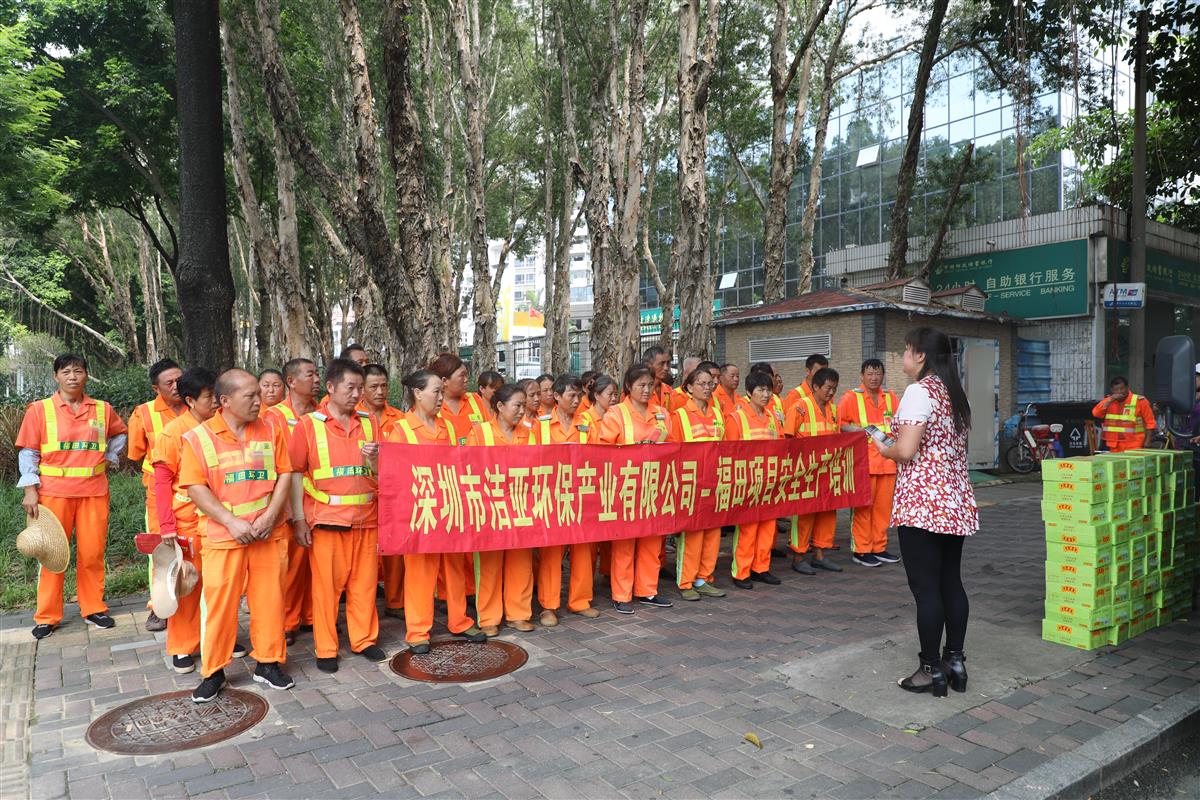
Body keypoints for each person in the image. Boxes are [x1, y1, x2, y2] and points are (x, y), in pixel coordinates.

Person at [179, 369, 296, 702]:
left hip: (268, 532)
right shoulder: (199, 437)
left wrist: (270, 516)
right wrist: (231, 522)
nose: (259, 401)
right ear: (225, 401)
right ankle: (214, 671)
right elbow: (195, 487)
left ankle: (268, 663)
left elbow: (285, 474)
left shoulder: (272, 428)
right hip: (223, 535)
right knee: (220, 605)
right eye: (251, 396)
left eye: (259, 394)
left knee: (270, 600)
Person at [876, 327, 977, 698]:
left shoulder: (919, 391)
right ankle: (955, 662)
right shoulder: (955, 393)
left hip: (922, 503)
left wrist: (883, 446)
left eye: (906, 350)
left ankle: (930, 670)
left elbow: (905, 451)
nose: (903, 356)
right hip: (954, 500)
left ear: (920, 355)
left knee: (926, 589)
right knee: (951, 582)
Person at [17, 354, 128, 639]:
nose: (72, 377)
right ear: (56, 376)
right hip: (54, 493)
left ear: (86, 375)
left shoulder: (102, 409)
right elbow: (28, 451)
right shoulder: (40, 410)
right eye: (66, 372)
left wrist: (110, 457)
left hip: (93, 491)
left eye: (78, 371)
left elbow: (119, 434)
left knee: (92, 553)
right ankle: (47, 616)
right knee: (51, 554)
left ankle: (93, 608)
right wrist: (30, 489)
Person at [289, 358, 386, 673]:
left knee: (365, 585)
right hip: (327, 520)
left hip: (366, 518)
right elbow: (294, 473)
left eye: (360, 388)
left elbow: (381, 472)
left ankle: (364, 640)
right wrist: (299, 519)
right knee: (326, 590)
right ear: (330, 387)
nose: (357, 394)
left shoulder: (369, 422)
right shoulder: (308, 425)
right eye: (350, 388)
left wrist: (375, 460)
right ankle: (326, 648)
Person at [151, 368, 247, 673]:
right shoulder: (173, 433)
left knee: (221, 585)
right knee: (188, 585)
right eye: (209, 398)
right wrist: (166, 525)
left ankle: (221, 639)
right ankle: (183, 645)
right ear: (191, 401)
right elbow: (161, 482)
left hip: (220, 519)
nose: (216, 402)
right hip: (187, 521)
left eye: (217, 396)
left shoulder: (225, 427)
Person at [386, 370, 487, 652]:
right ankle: (418, 631)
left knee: (454, 569)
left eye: (442, 392)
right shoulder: (401, 430)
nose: (441, 398)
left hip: (449, 509)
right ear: (417, 393)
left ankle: (460, 621)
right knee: (420, 572)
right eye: (436, 392)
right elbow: (394, 475)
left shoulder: (448, 428)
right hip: (419, 512)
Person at [598, 365, 672, 614]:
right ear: (629, 387)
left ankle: (647, 590)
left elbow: (674, 448)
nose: (646, 390)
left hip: (654, 487)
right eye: (641, 385)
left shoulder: (661, 413)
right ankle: (621, 594)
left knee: (652, 540)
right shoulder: (616, 414)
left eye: (650, 385)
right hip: (625, 489)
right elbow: (603, 452)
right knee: (625, 544)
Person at [529, 374, 599, 623]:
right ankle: (548, 606)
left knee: (583, 551)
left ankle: (580, 601)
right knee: (551, 553)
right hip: (551, 499)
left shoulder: (587, 424)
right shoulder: (541, 426)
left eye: (579, 395)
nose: (577, 400)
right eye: (571, 395)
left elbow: (598, 458)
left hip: (580, 498)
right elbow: (531, 462)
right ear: (557, 396)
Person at [466, 383, 535, 635]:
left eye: (524, 406)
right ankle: (488, 618)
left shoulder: (529, 433)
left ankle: (519, 614)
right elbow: (469, 469)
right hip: (489, 509)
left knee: (521, 562)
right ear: (499, 406)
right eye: (517, 406)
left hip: (520, 507)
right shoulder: (480, 433)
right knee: (488, 565)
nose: (522, 411)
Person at [262, 358, 320, 645]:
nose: (317, 379)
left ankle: (310, 616)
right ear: (292, 382)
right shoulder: (274, 417)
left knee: (315, 564)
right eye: (310, 374)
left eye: (317, 374)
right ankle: (287, 621)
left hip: (321, 502)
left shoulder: (323, 412)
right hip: (290, 502)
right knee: (292, 566)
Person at [127, 358, 185, 632]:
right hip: (159, 490)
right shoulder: (144, 413)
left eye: (179, 380)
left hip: (197, 489)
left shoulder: (199, 406)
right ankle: (160, 608)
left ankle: (193, 602)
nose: (176, 386)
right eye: (169, 383)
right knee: (162, 550)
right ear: (155, 388)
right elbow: (136, 453)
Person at [668, 368, 728, 601]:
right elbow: (673, 453)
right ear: (689, 388)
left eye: (710, 383)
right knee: (692, 535)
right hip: (691, 485)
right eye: (701, 383)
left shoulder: (717, 414)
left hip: (714, 483)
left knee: (712, 533)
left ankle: (704, 578)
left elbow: (726, 448)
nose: (707, 387)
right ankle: (686, 581)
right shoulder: (680, 416)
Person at [838, 359, 901, 568]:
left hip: (888, 462)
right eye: (870, 374)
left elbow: (899, 425)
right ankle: (861, 550)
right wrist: (856, 430)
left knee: (883, 509)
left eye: (877, 373)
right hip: (863, 463)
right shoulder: (850, 398)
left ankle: (879, 547)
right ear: (862, 376)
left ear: (883, 375)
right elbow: (839, 424)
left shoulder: (891, 397)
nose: (874, 378)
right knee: (863, 509)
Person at [725, 370, 783, 589]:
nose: (766, 394)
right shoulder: (737, 418)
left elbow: (780, 447)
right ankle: (741, 572)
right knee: (748, 529)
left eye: (768, 390)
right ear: (749, 392)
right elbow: (729, 454)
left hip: (769, 481)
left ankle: (761, 567)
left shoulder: (772, 417)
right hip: (747, 482)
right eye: (761, 390)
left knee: (767, 527)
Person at [784, 367, 843, 574]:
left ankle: (820, 554)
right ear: (816, 386)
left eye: (834, 388)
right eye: (828, 388)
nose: (831, 392)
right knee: (804, 514)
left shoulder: (834, 410)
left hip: (827, 472)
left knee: (827, 512)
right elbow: (787, 439)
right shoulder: (800, 407)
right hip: (805, 473)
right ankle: (798, 556)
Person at [1092, 376, 1156, 452]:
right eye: (1116, 390)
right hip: (1114, 445)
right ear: (1112, 390)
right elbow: (1096, 413)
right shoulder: (1109, 401)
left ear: (1127, 388)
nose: (1119, 392)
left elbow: (1150, 422)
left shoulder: (1140, 401)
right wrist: (1110, 399)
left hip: (1134, 444)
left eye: (1122, 389)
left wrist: (1148, 441)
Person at [430, 353, 487, 437]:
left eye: (466, 375)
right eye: (462, 375)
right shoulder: (430, 406)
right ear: (444, 381)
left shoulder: (476, 399)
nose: (466, 379)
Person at [360, 363, 404, 438]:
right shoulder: (353, 415)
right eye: (374, 386)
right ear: (362, 388)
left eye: (383, 386)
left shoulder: (400, 417)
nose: (380, 392)